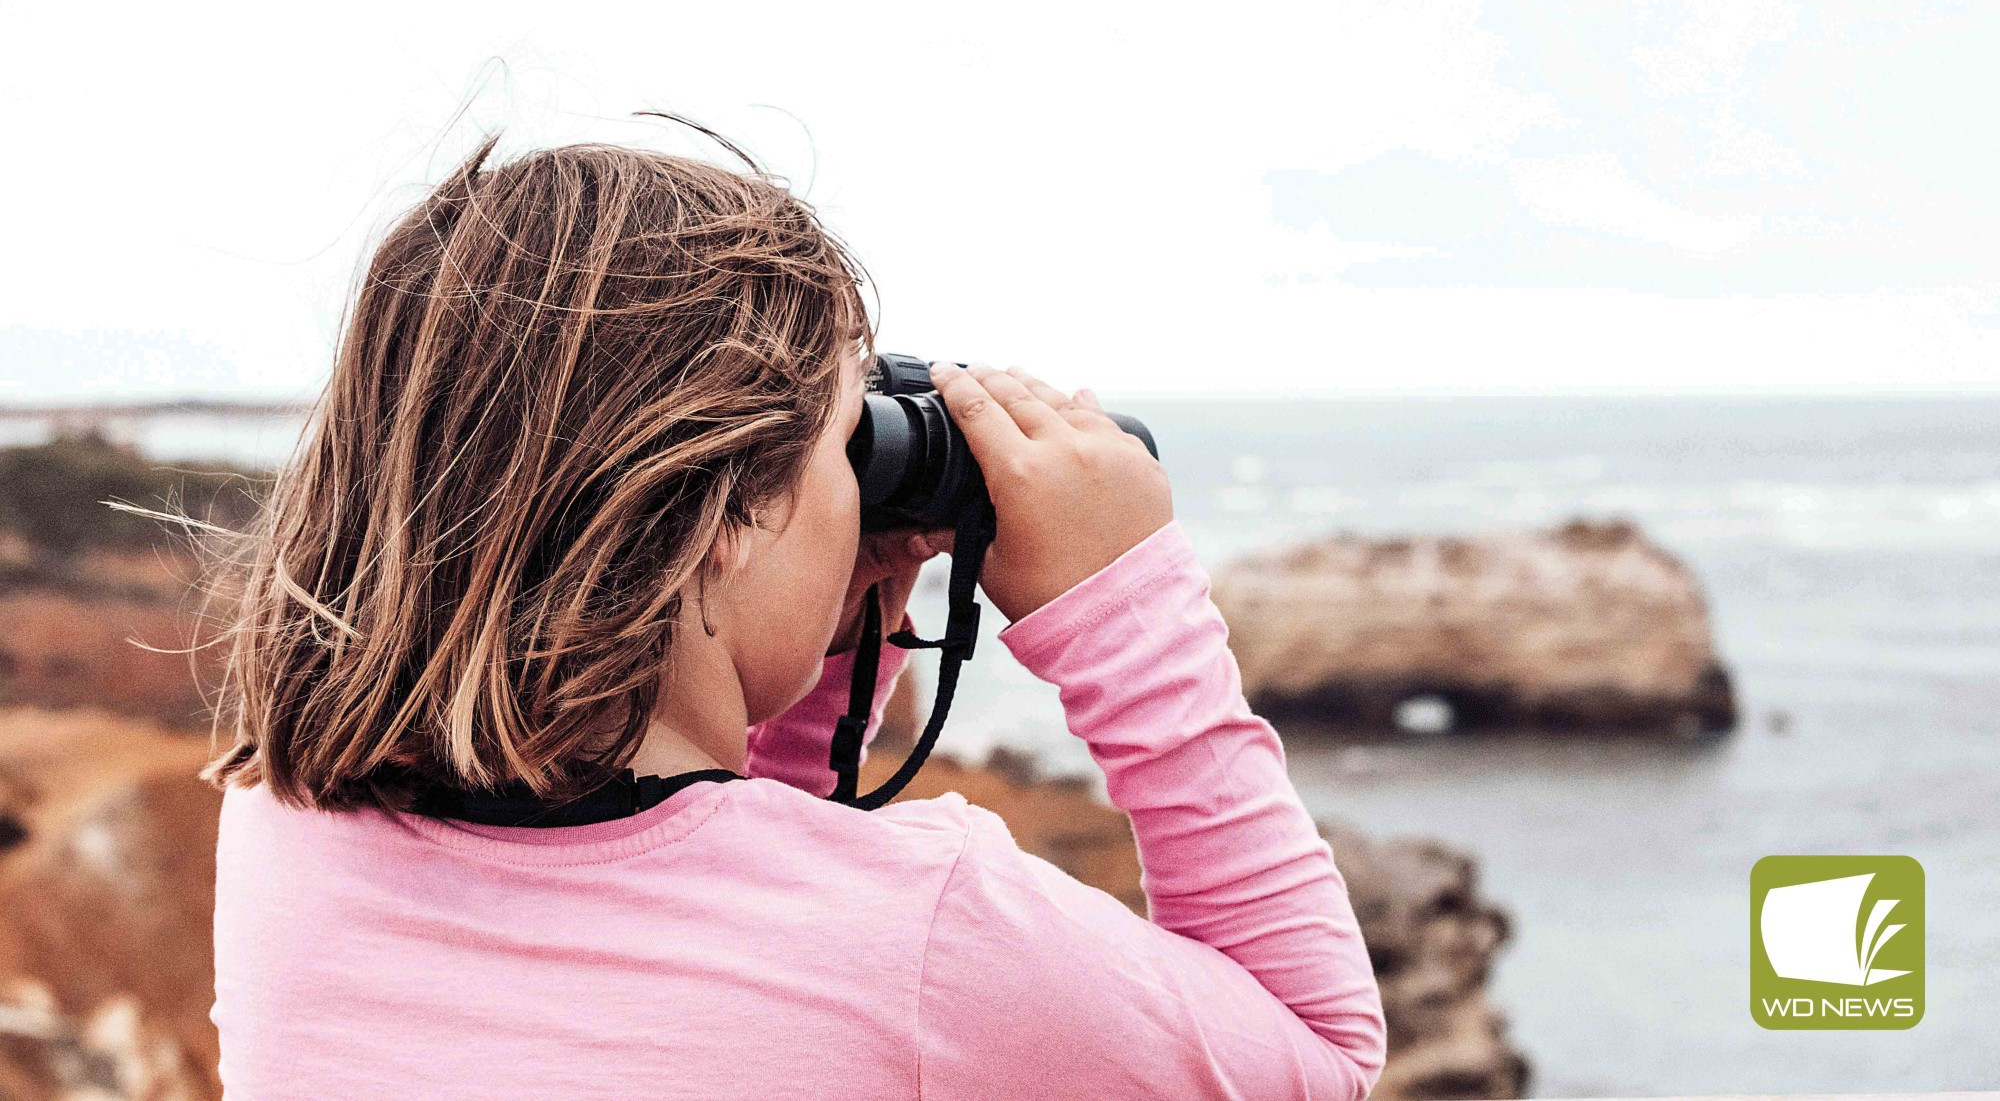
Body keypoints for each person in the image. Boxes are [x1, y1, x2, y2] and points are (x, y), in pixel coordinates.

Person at [205, 135, 1386, 1099]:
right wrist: (1127, 609)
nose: (855, 480)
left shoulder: (283, 830)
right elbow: (1316, 1057)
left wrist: (829, 604)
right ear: (723, 517)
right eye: (843, 441)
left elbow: (695, 875)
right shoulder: (926, 929)